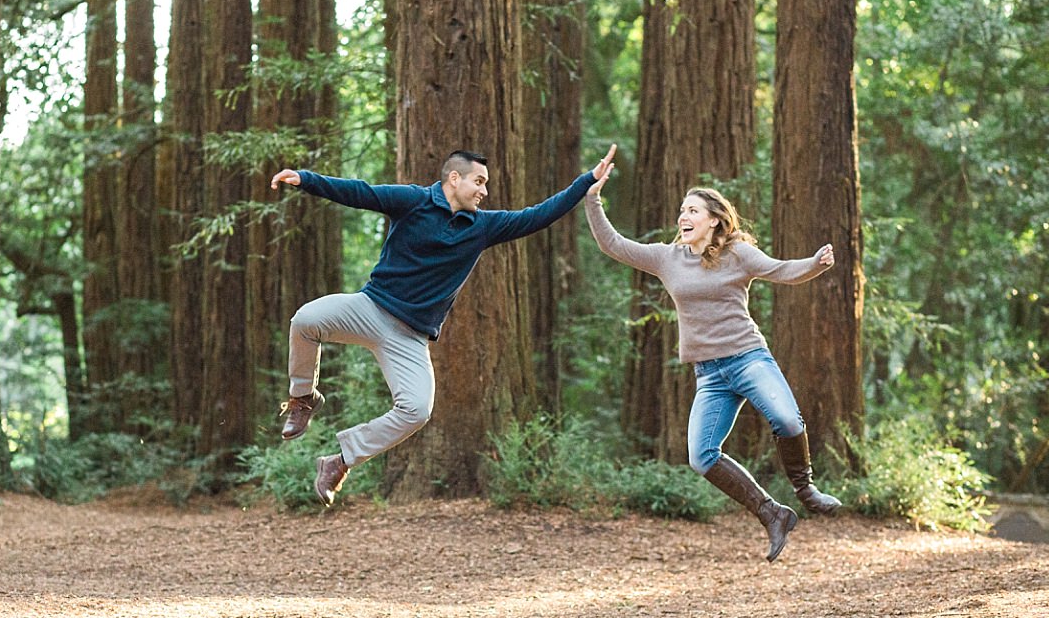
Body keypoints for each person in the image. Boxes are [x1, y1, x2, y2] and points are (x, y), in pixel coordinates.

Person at [270, 146, 616, 506]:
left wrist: (586, 181)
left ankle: (339, 462)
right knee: (306, 319)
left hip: (409, 336)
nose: (484, 191)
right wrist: (306, 180)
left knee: (417, 410)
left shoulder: (482, 227)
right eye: (478, 182)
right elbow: (360, 192)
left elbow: (538, 216)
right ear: (454, 178)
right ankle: (302, 398)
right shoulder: (413, 201)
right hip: (370, 308)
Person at [584, 158, 840, 562]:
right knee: (701, 456)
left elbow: (780, 270)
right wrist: (593, 198)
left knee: (788, 420)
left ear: (714, 221)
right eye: (682, 210)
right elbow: (613, 245)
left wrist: (814, 264)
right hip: (710, 375)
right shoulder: (667, 257)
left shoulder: (738, 253)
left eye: (692, 211)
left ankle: (805, 489)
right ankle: (772, 513)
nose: (683, 216)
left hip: (748, 358)